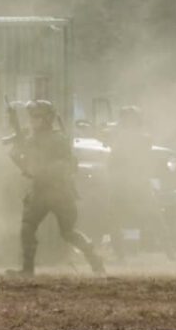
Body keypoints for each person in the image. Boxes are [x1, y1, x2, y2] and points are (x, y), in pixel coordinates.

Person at [11, 99, 106, 276]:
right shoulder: (31, 139)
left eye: (37, 117)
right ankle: (27, 269)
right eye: (31, 117)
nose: (32, 121)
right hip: (40, 190)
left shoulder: (58, 139)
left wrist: (42, 169)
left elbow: (67, 164)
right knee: (27, 228)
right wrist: (19, 154)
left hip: (59, 191)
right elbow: (23, 162)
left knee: (68, 232)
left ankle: (95, 261)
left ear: (47, 119)